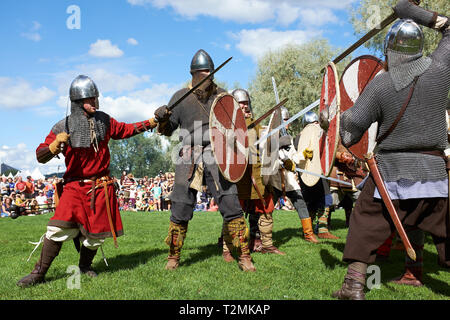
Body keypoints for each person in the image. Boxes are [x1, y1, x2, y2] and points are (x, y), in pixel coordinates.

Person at [332, 0, 450, 300]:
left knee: (365, 222)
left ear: (390, 50)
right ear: (421, 47)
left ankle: (354, 286)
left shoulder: (380, 85)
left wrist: (334, 120)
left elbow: (350, 132)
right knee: (446, 231)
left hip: (392, 175)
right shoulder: (440, 71)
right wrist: (411, 12)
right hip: (435, 172)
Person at [17, 75, 159, 288]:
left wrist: (152, 121)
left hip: (101, 188)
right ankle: (38, 273)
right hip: (74, 187)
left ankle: (84, 267)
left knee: (96, 237)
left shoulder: (105, 120)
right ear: (77, 102)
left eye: (96, 98)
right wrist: (55, 145)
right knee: (57, 230)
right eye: (90, 99)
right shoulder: (63, 125)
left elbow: (128, 129)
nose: (95, 102)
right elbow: (40, 155)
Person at [154, 49, 256, 271]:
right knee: (180, 206)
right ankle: (173, 256)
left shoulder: (222, 96)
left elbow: (234, 128)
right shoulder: (180, 97)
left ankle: (244, 255)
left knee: (231, 203)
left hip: (218, 153)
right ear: (193, 74)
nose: (207, 76)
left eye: (210, 72)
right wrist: (162, 118)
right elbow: (167, 130)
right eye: (202, 73)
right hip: (189, 154)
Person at [227, 88, 281, 257]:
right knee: (234, 213)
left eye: (246, 102)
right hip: (240, 176)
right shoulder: (229, 125)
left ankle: (267, 244)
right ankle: (228, 247)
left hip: (258, 174)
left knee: (266, 210)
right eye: (240, 103)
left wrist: (275, 138)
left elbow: (265, 146)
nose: (244, 106)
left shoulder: (256, 124)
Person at [294, 111, 337, 240]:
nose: (316, 125)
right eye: (314, 123)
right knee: (311, 202)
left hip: (321, 173)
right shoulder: (299, 138)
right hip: (307, 173)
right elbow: (299, 155)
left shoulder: (321, 136)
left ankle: (323, 229)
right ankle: (309, 230)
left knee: (326, 200)